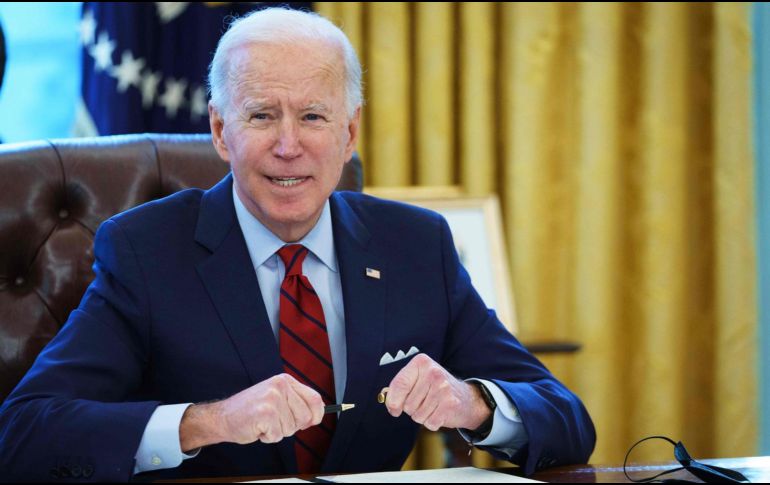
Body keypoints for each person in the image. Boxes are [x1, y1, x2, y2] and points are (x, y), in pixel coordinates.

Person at [0, 8, 595, 481]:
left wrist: (474, 405)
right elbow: (25, 433)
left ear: (350, 132)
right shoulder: (145, 251)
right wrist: (205, 423)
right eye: (261, 116)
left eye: (313, 116)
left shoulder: (417, 247)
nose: (289, 146)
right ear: (219, 130)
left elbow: (566, 418)